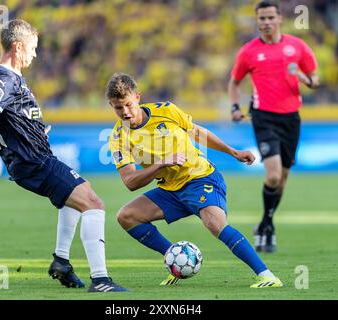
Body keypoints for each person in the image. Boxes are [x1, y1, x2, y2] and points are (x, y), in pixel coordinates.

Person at [0, 19, 127, 293]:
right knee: (93, 203)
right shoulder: (4, 77)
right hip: (33, 162)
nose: (35, 54)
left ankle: (61, 261)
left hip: (34, 158)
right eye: (32, 48)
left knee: (74, 199)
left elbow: (10, 116)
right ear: (18, 47)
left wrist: (34, 129)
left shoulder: (9, 77)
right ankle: (101, 280)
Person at [107, 72, 283, 288]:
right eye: (118, 107)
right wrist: (163, 163)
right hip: (169, 189)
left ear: (138, 97)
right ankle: (178, 258)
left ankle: (266, 275)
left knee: (215, 223)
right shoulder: (117, 137)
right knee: (127, 216)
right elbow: (130, 182)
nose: (125, 112)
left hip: (199, 177)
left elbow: (198, 132)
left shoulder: (166, 110)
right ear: (110, 105)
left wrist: (232, 151)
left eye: (128, 105)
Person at [228, 1, 319, 252]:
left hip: (291, 118)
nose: (266, 22)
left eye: (270, 17)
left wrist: (306, 79)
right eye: (262, 18)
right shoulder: (248, 52)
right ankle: (268, 225)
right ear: (257, 21)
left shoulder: (297, 46)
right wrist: (235, 108)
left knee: (283, 179)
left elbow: (315, 78)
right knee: (273, 175)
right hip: (263, 117)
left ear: (280, 19)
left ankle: (265, 223)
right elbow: (234, 83)